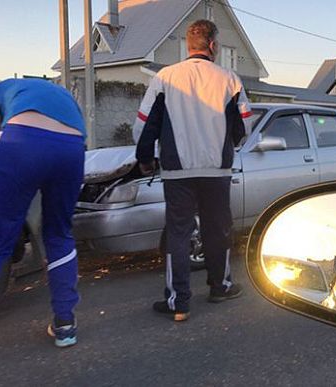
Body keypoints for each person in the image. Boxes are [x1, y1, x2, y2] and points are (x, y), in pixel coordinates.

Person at [134, 20, 252, 322]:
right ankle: (220, 287)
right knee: (217, 229)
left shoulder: (165, 78)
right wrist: (228, 145)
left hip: (177, 170)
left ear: (188, 45)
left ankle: (178, 302)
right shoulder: (230, 79)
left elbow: (144, 125)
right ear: (212, 44)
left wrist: (145, 157)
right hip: (216, 170)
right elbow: (244, 126)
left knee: (178, 232)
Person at [0, 78, 85, 347]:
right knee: (59, 233)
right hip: (72, 148)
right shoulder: (58, 92)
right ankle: (65, 326)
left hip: (21, 142)